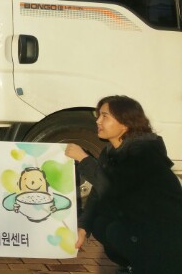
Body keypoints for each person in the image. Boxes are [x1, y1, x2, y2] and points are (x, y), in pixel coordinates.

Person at [64, 96, 182, 273]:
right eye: (98, 115)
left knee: (114, 230)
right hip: (140, 225)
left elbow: (113, 188)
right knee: (101, 223)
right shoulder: (110, 152)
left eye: (105, 116)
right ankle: (132, 263)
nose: (98, 121)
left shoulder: (144, 152)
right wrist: (84, 227)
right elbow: (98, 194)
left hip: (165, 233)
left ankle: (148, 264)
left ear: (125, 124)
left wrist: (84, 159)